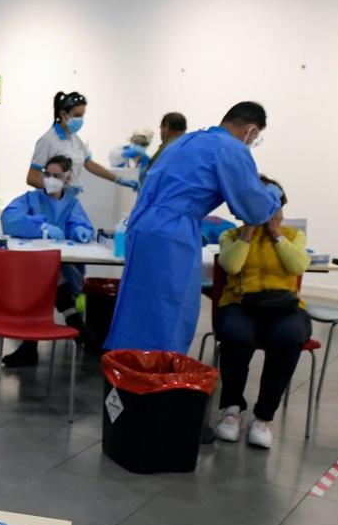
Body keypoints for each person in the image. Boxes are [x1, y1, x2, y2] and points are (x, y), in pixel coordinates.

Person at [104, 102, 280, 354]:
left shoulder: (186, 141)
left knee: (137, 305)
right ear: (251, 131)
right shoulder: (231, 148)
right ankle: (158, 376)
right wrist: (274, 194)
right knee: (170, 311)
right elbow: (253, 209)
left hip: (142, 226)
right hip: (173, 233)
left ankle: (124, 372)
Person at [211, 177, 310, 450]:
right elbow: (231, 266)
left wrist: (276, 233)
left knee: (289, 337)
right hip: (240, 305)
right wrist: (249, 231)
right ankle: (231, 410)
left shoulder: (292, 236)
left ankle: (263, 418)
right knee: (236, 336)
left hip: (283, 306)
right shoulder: (231, 235)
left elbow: (298, 265)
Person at [0, 155, 95, 365]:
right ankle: (78, 327)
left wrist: (80, 230)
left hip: (61, 266)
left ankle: (31, 345)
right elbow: (9, 217)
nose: (50, 179)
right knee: (45, 277)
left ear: (67, 178)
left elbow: (81, 224)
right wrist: (40, 226)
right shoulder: (31, 199)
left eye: (56, 176)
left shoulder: (71, 203)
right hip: (31, 267)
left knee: (51, 275)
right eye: (47, 174)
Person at [27, 91, 139, 194]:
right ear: (63, 114)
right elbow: (32, 178)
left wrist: (119, 179)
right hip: (50, 200)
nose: (80, 120)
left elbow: (90, 164)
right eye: (77, 115)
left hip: (68, 200)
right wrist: (59, 187)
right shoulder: (48, 141)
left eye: (82, 115)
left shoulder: (75, 139)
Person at [139, 111, 187, 184]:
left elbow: (151, 176)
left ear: (167, 126)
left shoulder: (168, 147)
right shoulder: (190, 143)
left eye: (161, 127)